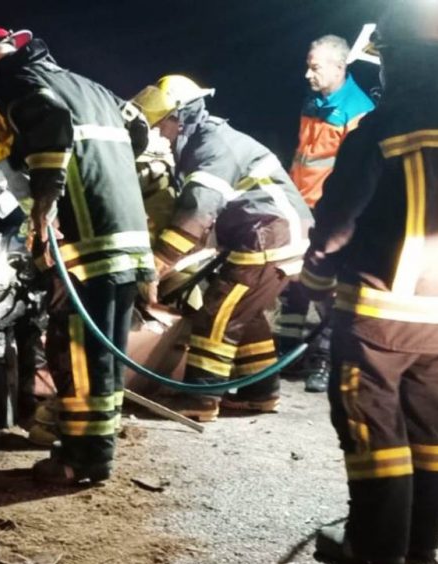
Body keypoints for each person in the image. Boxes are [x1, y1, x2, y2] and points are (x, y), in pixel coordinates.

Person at [298, 0, 438, 564]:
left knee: (368, 419)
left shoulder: (383, 127)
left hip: (383, 314)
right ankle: (421, 539)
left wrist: (314, 278)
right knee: (431, 422)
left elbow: (337, 223)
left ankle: (374, 545)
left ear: (398, 61)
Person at [0, 26, 154, 484]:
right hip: (126, 236)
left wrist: (45, 204)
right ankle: (96, 448)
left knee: (77, 355)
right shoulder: (88, 86)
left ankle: (81, 461)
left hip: (87, 241)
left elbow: (51, 124)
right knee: (105, 354)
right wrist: (104, 173)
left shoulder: (18, 82)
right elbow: (139, 128)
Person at [134, 75, 312, 422]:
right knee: (245, 314)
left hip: (268, 240)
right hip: (270, 237)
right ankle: (260, 393)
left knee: (217, 315)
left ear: (180, 118)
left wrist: (160, 261)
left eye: (159, 124)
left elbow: (199, 210)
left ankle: (200, 399)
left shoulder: (212, 148)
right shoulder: (206, 141)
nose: (156, 133)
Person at [278, 35, 376, 393]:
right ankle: (287, 350)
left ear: (339, 67)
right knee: (294, 281)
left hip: (330, 212)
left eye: (315, 67)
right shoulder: (314, 100)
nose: (308, 74)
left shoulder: (360, 110)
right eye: (308, 66)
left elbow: (357, 173)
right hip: (300, 205)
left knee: (328, 289)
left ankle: (324, 358)